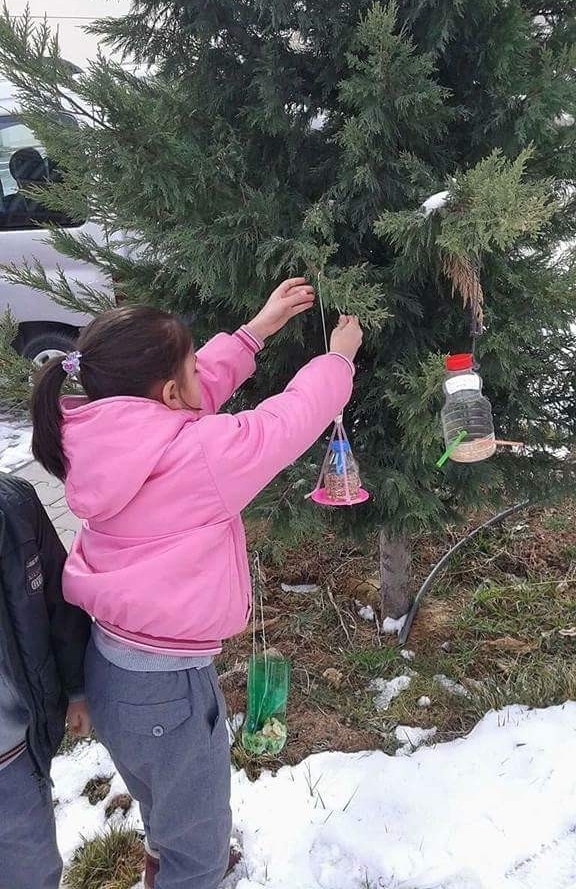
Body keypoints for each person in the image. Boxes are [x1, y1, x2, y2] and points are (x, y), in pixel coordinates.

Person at [30, 279, 363, 889]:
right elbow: (283, 423)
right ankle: (190, 871)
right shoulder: (199, 455)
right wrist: (337, 360)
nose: (196, 380)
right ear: (165, 391)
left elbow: (191, 388)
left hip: (112, 672)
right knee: (199, 845)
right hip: (167, 692)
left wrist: (255, 331)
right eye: (187, 368)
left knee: (168, 804)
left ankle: (172, 857)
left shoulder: (95, 432)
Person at [0, 475, 91, 889]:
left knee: (35, 873)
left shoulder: (17, 506)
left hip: (14, 758)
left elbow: (60, 601)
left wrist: (76, 690)